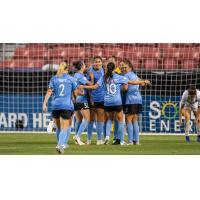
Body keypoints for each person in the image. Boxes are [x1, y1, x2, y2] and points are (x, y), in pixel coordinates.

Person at [81, 62, 150, 145]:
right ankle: (121, 141)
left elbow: (95, 87)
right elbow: (131, 82)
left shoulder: (103, 78)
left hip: (107, 102)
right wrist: (143, 81)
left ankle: (107, 137)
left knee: (109, 119)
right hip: (117, 101)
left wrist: (84, 86)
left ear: (106, 69)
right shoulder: (118, 77)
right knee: (121, 121)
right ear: (114, 69)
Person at [42, 62, 79, 154]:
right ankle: (60, 144)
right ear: (67, 69)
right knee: (64, 127)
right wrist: (75, 100)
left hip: (55, 106)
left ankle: (60, 144)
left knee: (58, 127)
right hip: (66, 105)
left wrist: (44, 103)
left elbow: (49, 91)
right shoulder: (71, 79)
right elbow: (75, 94)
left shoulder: (54, 78)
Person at [123, 59, 151, 145]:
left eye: (125, 67)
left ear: (130, 68)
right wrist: (145, 82)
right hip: (138, 100)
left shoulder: (126, 76)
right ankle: (137, 141)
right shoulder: (135, 75)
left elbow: (126, 87)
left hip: (131, 100)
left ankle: (131, 141)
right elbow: (142, 83)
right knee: (134, 120)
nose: (124, 69)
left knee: (128, 120)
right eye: (123, 67)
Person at [73, 61, 92, 145]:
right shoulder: (81, 76)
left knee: (78, 120)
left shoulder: (75, 75)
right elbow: (90, 84)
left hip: (77, 99)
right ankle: (78, 136)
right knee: (87, 119)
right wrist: (92, 77)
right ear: (81, 67)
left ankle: (76, 137)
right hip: (82, 99)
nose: (85, 66)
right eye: (84, 64)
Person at [87, 56, 105, 145]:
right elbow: (89, 85)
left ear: (101, 63)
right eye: (96, 62)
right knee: (91, 119)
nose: (97, 63)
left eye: (99, 61)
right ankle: (89, 139)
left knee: (100, 119)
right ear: (93, 63)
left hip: (102, 97)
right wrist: (90, 98)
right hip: (92, 97)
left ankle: (99, 140)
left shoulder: (103, 70)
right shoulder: (90, 71)